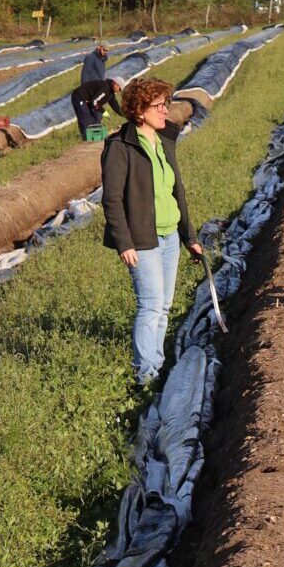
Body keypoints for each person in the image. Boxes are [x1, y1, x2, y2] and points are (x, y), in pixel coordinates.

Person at [101, 75, 205, 384]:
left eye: (166, 104)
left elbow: (177, 192)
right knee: (149, 304)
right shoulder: (121, 147)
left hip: (170, 235)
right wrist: (124, 243)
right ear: (139, 110)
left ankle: (156, 364)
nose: (165, 111)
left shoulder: (165, 141)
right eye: (159, 105)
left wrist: (190, 237)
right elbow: (112, 199)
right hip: (142, 239)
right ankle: (147, 376)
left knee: (163, 305)